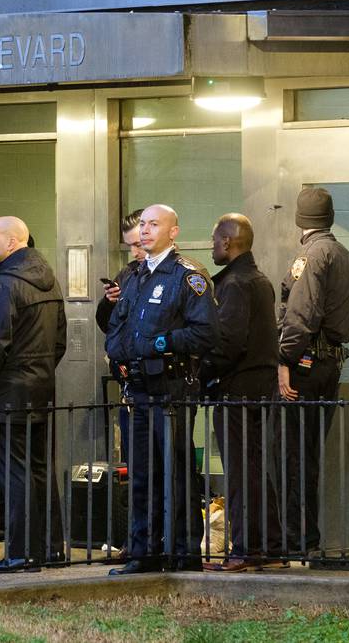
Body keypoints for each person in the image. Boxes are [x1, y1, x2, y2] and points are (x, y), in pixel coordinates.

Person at [104, 204, 218, 575]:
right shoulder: (135, 275)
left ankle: (185, 552)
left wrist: (161, 342)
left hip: (171, 388)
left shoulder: (187, 276)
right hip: (137, 388)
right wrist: (118, 353)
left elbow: (205, 332)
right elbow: (117, 325)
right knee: (141, 475)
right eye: (143, 225)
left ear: (173, 232)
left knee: (177, 472)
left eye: (155, 224)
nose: (146, 231)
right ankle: (144, 551)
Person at [0, 216, 67, 572]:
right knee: (40, 470)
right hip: (39, 388)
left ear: (11, 243)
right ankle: (51, 548)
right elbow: (59, 341)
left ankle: (22, 552)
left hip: (5, 394)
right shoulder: (48, 280)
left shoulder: (3, 285)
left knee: (15, 475)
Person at [277, 187, 349, 558]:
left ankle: (297, 540)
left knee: (294, 455)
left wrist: (284, 359)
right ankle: (305, 538)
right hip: (330, 365)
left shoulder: (311, 255)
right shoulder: (345, 255)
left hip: (306, 366)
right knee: (309, 455)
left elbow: (300, 315)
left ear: (300, 219)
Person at [200, 214, 284, 572]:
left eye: (215, 238)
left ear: (229, 242)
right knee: (254, 468)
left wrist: (202, 374)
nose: (211, 244)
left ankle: (247, 548)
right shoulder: (259, 280)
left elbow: (228, 343)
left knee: (239, 471)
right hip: (258, 387)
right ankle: (270, 544)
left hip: (237, 389)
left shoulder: (235, 284)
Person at [96, 208, 145, 464]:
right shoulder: (127, 274)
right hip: (129, 381)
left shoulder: (178, 275)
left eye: (139, 244)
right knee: (134, 461)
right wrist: (109, 302)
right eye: (130, 246)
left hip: (162, 385)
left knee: (169, 463)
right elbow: (105, 323)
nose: (135, 252)